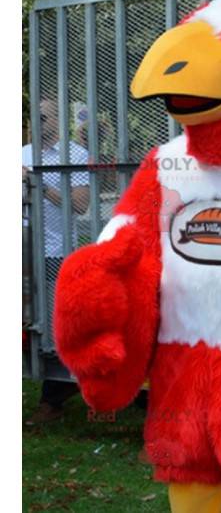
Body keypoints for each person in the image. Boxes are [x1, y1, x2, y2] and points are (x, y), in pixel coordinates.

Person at [23, 99, 90, 424]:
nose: (36, 120)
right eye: (32, 115)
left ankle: (54, 399)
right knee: (27, 321)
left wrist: (38, 185)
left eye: (43, 115)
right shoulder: (20, 153)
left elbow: (80, 206)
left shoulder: (74, 155)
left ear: (58, 120)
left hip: (55, 250)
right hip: (23, 248)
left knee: (52, 327)